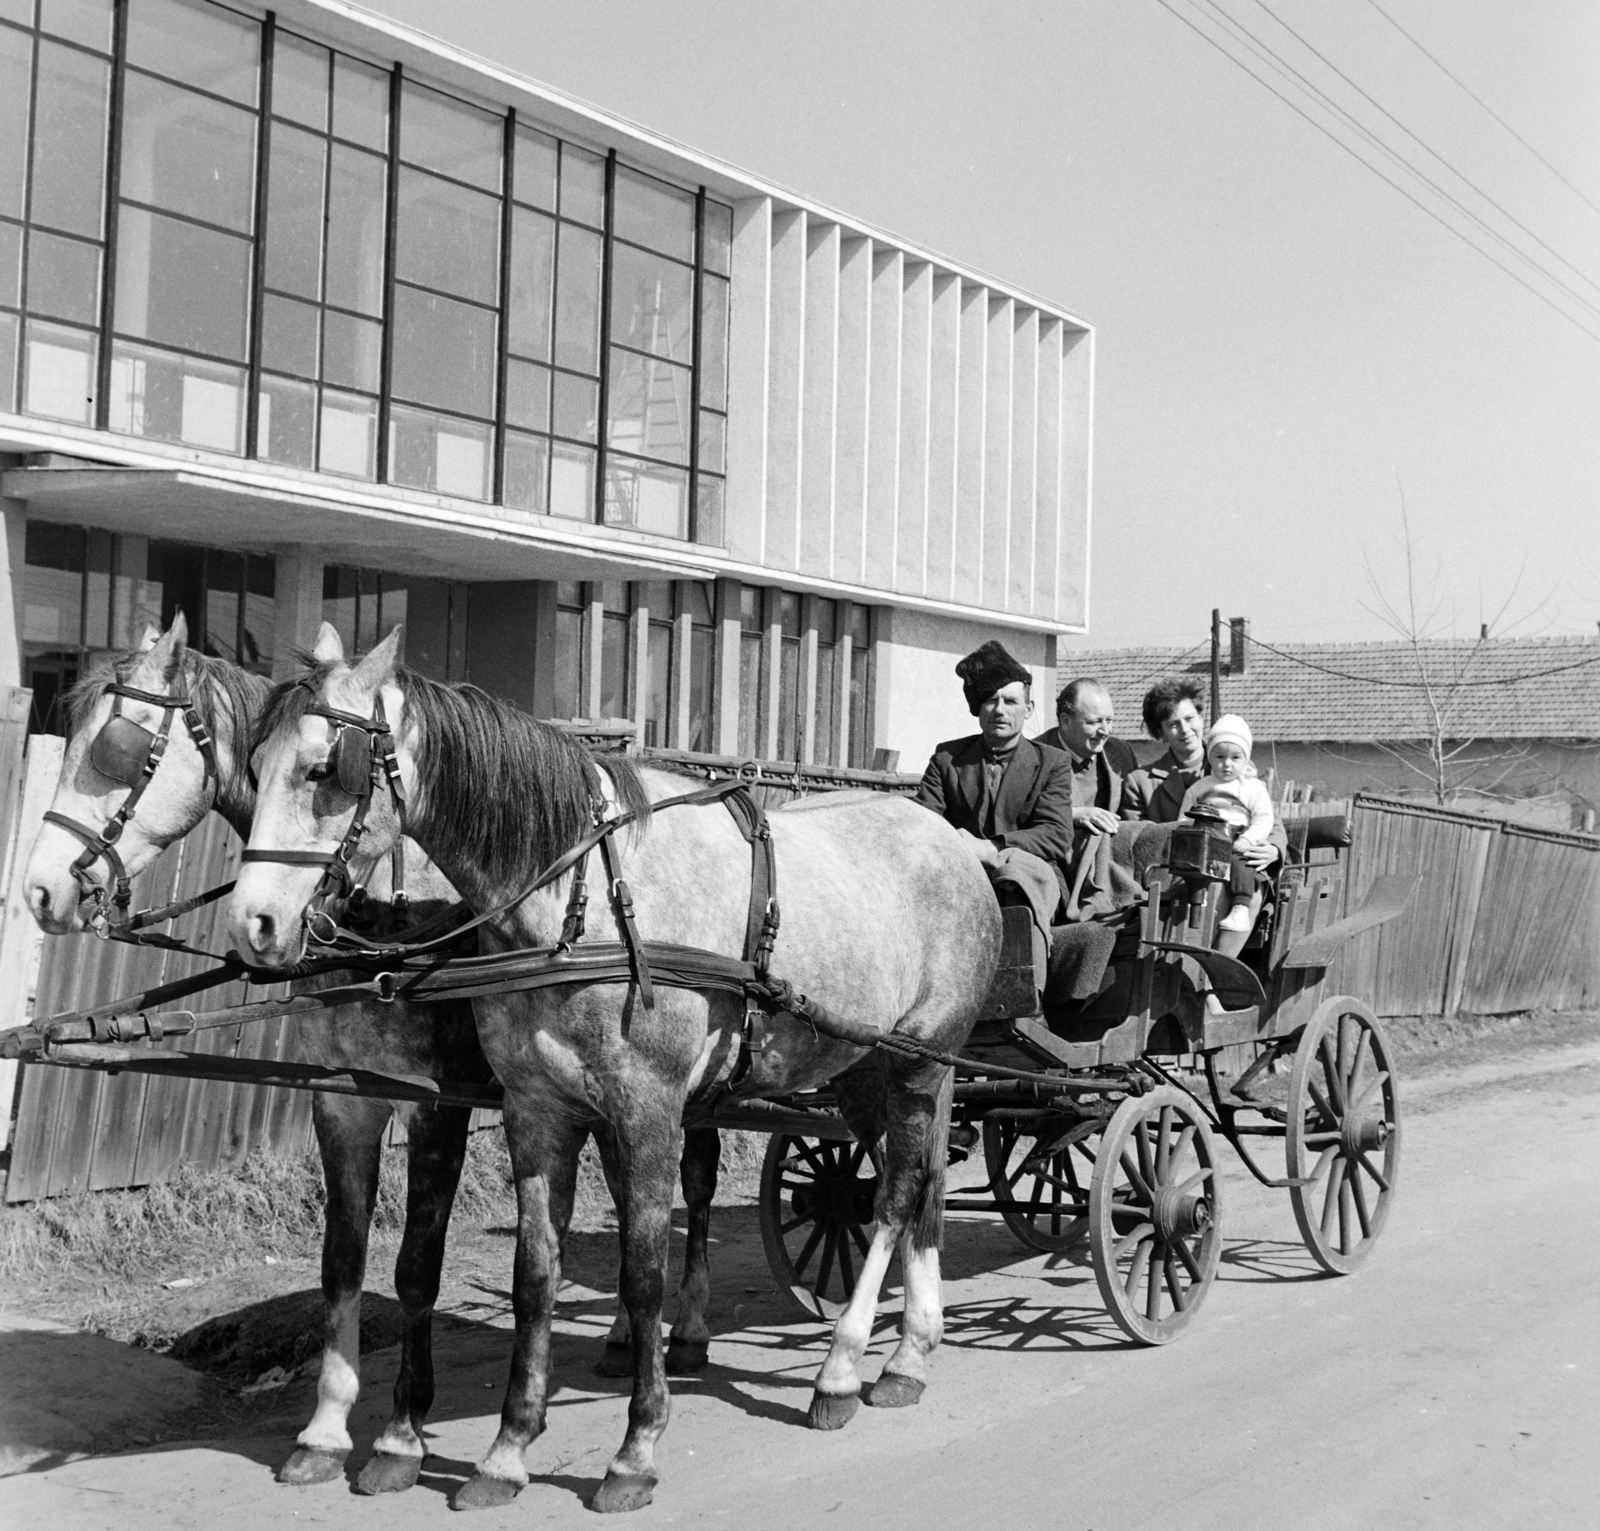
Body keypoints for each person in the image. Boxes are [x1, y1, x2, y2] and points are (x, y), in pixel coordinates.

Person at [914, 640, 1075, 989]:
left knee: (1015, 876)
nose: (999, 709)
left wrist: (992, 848)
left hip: (1035, 875)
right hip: (961, 869)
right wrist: (960, 851)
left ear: (1029, 709)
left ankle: (1025, 997)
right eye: (990, 700)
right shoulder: (948, 758)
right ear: (977, 709)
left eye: (1011, 701)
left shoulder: (1052, 763)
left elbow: (1056, 834)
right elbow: (923, 823)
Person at [1123, 676, 1286, 876]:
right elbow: (1139, 842)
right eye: (1173, 724)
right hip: (1174, 877)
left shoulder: (1237, 766)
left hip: (1238, 868)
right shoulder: (1141, 782)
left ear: (1201, 718)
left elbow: (1269, 818)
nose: (1185, 730)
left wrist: (1273, 849)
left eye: (1190, 718)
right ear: (1161, 733)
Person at [1181, 713, 1276, 951]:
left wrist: (1248, 838)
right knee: (1197, 872)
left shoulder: (1252, 787)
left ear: (1246, 760)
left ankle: (1241, 907)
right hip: (1207, 839)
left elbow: (1264, 817)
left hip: (1237, 838)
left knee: (1243, 862)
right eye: (1220, 756)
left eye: (1235, 757)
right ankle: (1199, 914)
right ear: (1210, 757)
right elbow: (1184, 817)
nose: (1227, 764)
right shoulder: (1200, 787)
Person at [1034, 677, 1126, 919]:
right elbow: (1020, 816)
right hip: (1059, 868)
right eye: (1095, 722)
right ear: (1065, 721)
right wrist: (1072, 814)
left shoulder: (1120, 753)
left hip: (1109, 863)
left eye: (1109, 720)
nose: (1105, 731)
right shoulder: (1035, 757)